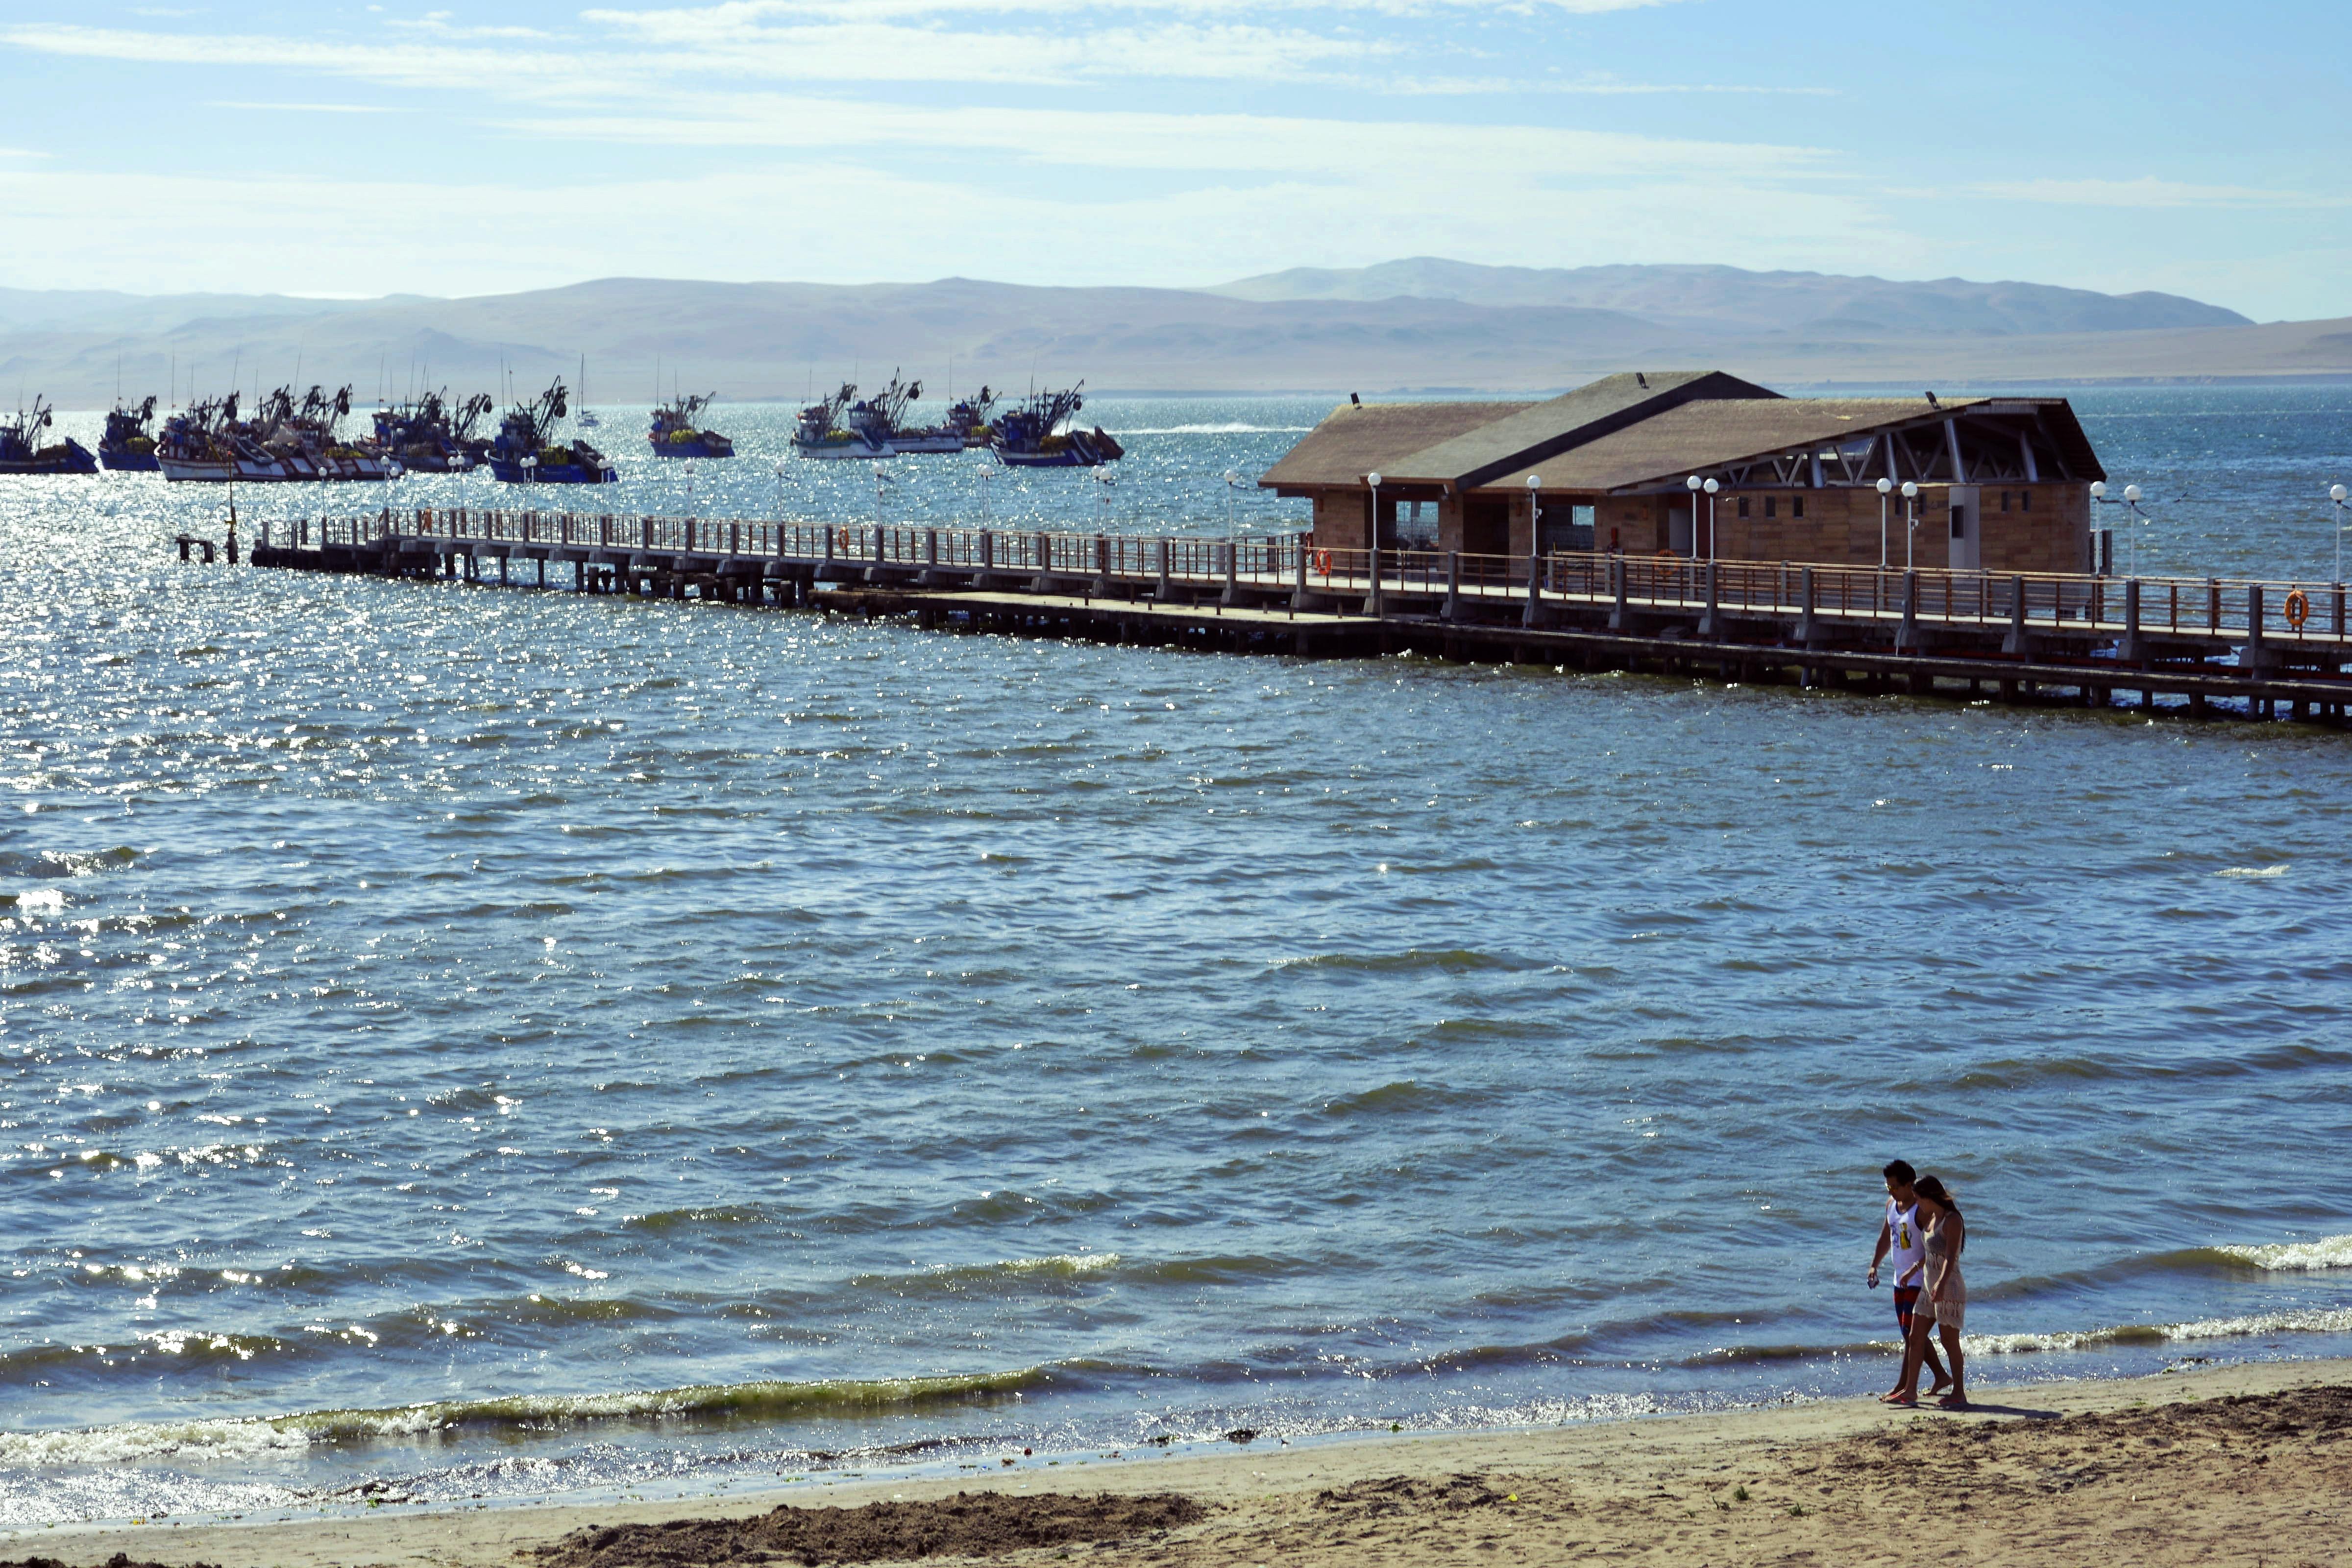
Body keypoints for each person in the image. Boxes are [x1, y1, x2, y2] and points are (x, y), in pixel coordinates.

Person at [1867, 1160, 1948, 1400]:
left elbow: (1934, 1245)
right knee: (1908, 1334)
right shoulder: (1892, 1205)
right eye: (1888, 1186)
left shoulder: (1921, 1211)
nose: (1890, 1191)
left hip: (1918, 1279)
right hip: (1898, 1278)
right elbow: (1885, 1237)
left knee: (1910, 1332)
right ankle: (1932, 1378)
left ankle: (1909, 1385)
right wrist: (1874, 1264)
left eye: (1895, 1186)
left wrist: (1916, 1269)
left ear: (1909, 1185)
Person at [1891, 1175, 1968, 1409]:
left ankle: (1959, 1393)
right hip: (1928, 1284)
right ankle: (1910, 1390)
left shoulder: (1953, 1220)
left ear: (1929, 1197)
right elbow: (1931, 1254)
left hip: (1949, 1286)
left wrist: (1942, 1284)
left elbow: (1951, 1256)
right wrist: (1912, 1269)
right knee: (1915, 1337)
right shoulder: (1933, 1219)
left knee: (1949, 1341)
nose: (1917, 1204)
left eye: (1918, 1199)